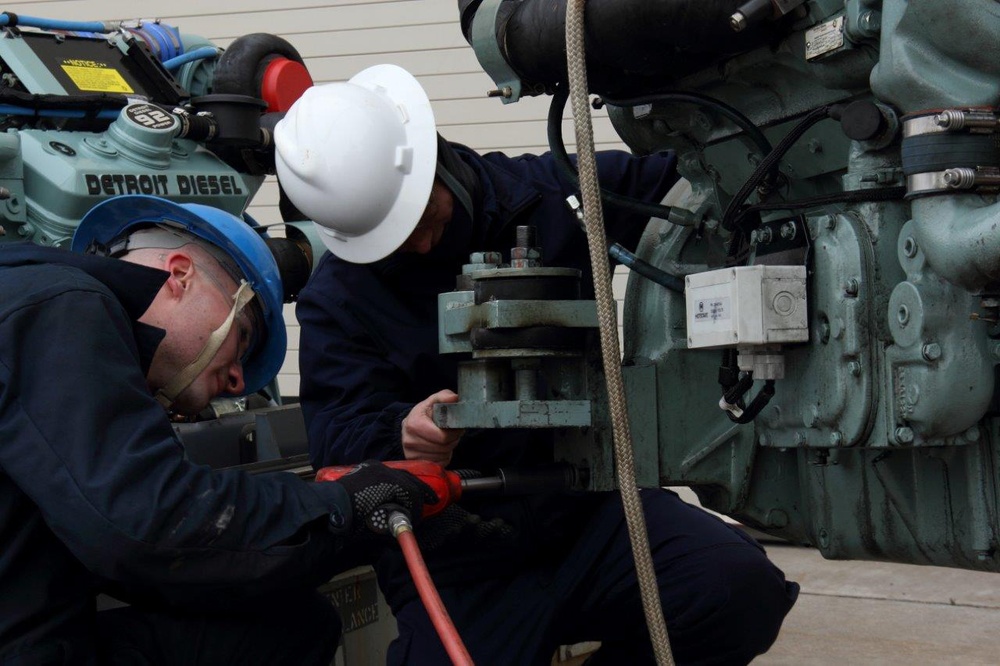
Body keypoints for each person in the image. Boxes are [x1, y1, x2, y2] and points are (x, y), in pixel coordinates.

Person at [281, 65, 799, 665]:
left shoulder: (558, 196)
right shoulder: (337, 299)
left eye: (424, 219)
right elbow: (334, 436)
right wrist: (401, 433)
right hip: (460, 555)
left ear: (435, 159)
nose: (420, 245)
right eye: (393, 240)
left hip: (591, 515)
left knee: (735, 590)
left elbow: (699, 184)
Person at [0, 194, 438, 666]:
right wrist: (347, 506)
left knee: (289, 624)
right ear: (180, 274)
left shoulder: (36, 295)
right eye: (244, 334)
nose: (239, 381)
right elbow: (150, 522)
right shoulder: (63, 304)